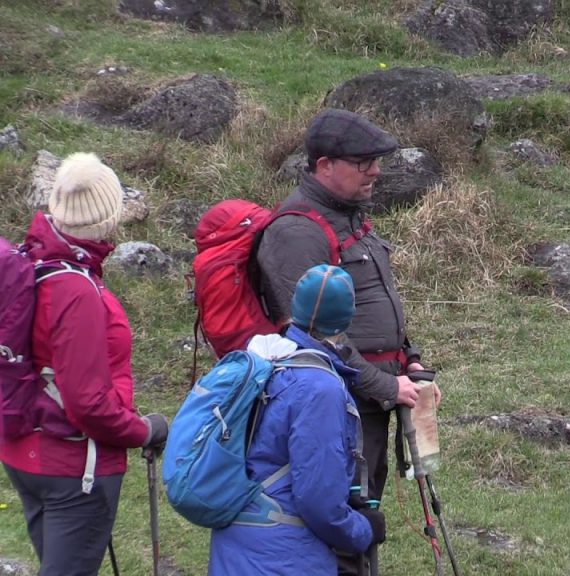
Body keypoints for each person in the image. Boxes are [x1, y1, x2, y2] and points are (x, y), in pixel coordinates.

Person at [256, 108, 440, 574]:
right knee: (339, 522)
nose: (376, 171)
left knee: (366, 515)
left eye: (375, 161)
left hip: (370, 403)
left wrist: (409, 360)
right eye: (363, 162)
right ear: (324, 166)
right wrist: (383, 384)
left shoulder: (350, 219)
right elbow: (312, 335)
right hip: (336, 409)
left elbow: (376, 302)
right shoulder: (297, 232)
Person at [0, 152, 169, 576]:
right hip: (75, 468)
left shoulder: (32, 262)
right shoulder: (75, 290)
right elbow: (88, 402)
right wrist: (142, 430)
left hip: (28, 454)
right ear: (111, 217)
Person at [208, 264, 386, 575]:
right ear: (346, 318)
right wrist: (362, 529)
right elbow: (319, 501)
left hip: (235, 541)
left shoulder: (263, 359)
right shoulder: (320, 388)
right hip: (284, 553)